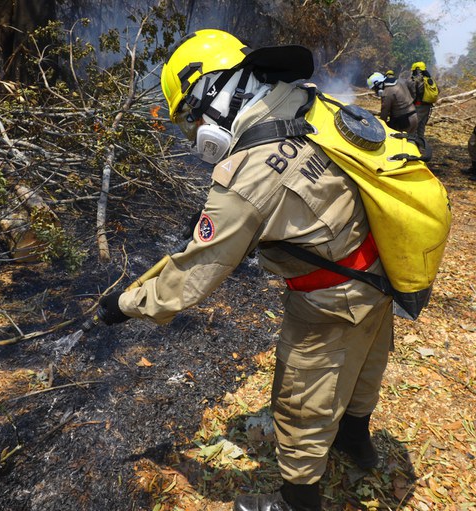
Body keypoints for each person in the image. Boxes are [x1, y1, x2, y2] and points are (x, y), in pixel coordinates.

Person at [97, 29, 394, 511]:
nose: (194, 132)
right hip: (380, 269)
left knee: (300, 396)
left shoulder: (248, 173)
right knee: (363, 365)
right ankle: (355, 441)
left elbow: (193, 277)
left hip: (330, 297)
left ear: (212, 92)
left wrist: (123, 305)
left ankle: (298, 500)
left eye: (191, 117)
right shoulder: (306, 103)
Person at [367, 70, 418, 134]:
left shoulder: (387, 93)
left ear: (378, 85)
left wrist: (379, 127)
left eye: (375, 88)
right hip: (414, 116)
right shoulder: (399, 82)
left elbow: (384, 115)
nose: (375, 91)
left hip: (404, 122)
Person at [406, 61, 436, 142]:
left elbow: (413, 95)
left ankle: (411, 145)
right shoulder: (429, 79)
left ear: (416, 70)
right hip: (427, 107)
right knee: (421, 127)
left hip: (418, 106)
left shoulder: (416, 80)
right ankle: (421, 144)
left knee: (413, 127)